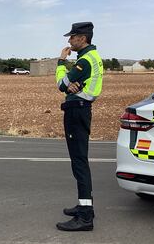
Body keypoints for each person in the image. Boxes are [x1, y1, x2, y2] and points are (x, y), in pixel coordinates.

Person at [55, 22, 103, 232]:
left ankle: (85, 217)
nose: (69, 41)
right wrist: (71, 84)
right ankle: (84, 206)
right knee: (79, 160)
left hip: (77, 111)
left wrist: (61, 62)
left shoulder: (84, 61)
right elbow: (69, 83)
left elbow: (61, 85)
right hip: (81, 108)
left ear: (82, 38)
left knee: (79, 161)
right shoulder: (92, 58)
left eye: (72, 37)